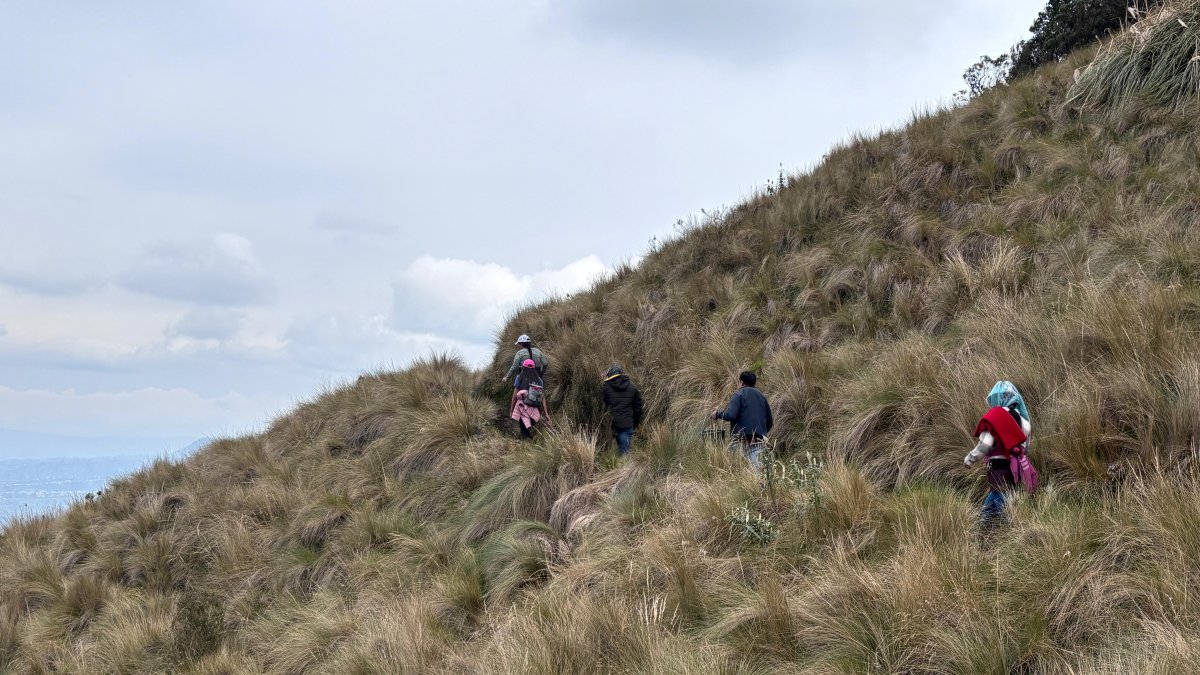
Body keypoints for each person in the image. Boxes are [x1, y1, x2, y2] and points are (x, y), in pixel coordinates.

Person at [965, 380, 1033, 526]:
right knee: (998, 493)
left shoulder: (995, 417)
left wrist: (970, 458)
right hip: (1018, 465)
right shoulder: (1024, 421)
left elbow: (985, 444)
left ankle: (1009, 528)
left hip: (998, 465)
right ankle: (984, 524)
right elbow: (1026, 447)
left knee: (1001, 496)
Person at [711, 371, 773, 470]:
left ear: (741, 382)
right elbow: (770, 422)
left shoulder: (739, 394)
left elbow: (731, 415)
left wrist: (717, 414)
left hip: (741, 440)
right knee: (757, 473)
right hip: (758, 440)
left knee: (736, 471)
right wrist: (760, 433)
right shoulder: (762, 397)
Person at [601, 365, 644, 457]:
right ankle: (623, 469)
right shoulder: (632, 388)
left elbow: (601, 406)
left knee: (605, 453)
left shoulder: (605, 388)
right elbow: (638, 409)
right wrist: (635, 423)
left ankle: (609, 467)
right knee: (625, 453)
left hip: (609, 424)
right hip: (626, 424)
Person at [503, 334, 549, 408]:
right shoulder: (538, 351)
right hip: (537, 376)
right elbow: (545, 364)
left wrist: (507, 377)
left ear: (521, 344)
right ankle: (543, 412)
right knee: (541, 394)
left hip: (523, 376)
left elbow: (514, 366)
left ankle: (512, 412)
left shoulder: (520, 353)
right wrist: (541, 374)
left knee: (515, 395)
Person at [511, 359, 550, 438]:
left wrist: (511, 410)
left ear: (523, 368)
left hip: (522, 407)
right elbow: (542, 397)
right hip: (535, 407)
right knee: (529, 427)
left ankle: (525, 442)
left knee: (524, 429)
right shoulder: (539, 380)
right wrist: (546, 414)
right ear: (534, 368)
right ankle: (529, 441)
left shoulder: (519, 377)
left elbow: (515, 396)